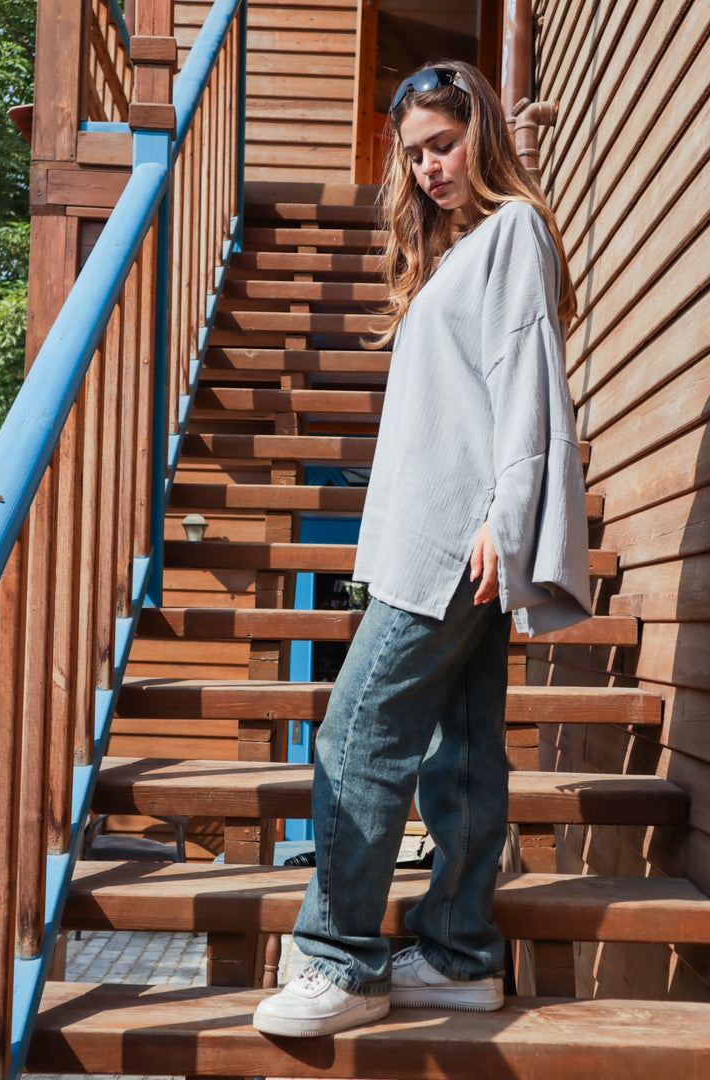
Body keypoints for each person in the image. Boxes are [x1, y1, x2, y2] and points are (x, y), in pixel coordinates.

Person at [253, 61, 592, 1039]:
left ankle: (343, 962)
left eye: (442, 143)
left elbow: (530, 373)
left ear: (480, 132)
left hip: (459, 535)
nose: (430, 167)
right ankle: (457, 953)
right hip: (432, 534)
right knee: (462, 751)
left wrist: (508, 512)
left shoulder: (512, 233)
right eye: (414, 154)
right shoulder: (452, 255)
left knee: (356, 734)